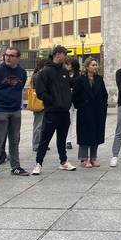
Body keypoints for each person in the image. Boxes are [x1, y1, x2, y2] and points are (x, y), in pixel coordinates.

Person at [0, 46, 30, 180]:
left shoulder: (21, 72)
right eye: (6, 55)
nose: (8, 58)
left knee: (15, 139)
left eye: (11, 55)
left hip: (15, 110)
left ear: (18, 58)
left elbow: (20, 87)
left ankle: (15, 167)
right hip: (0, 110)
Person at [32, 45, 77, 175]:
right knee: (45, 139)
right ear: (57, 54)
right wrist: (53, 101)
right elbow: (41, 92)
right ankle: (38, 163)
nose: (66, 56)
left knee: (62, 138)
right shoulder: (45, 71)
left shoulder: (63, 71)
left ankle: (63, 161)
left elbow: (68, 87)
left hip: (64, 111)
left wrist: (67, 101)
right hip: (51, 111)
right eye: (64, 54)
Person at [72, 56, 108, 167]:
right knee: (84, 134)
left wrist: (103, 106)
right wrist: (81, 106)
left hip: (97, 111)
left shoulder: (99, 79)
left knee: (96, 134)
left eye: (96, 64)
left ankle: (93, 158)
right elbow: (75, 96)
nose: (95, 67)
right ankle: (83, 159)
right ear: (87, 67)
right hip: (85, 111)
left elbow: (104, 94)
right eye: (93, 65)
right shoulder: (79, 79)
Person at [29, 58, 48, 152]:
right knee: (39, 125)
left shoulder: (38, 75)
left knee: (42, 125)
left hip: (43, 103)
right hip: (39, 102)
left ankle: (40, 143)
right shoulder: (38, 76)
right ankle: (36, 144)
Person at [65, 57, 80, 150]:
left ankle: (80, 138)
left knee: (80, 120)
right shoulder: (64, 74)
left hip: (78, 100)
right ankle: (68, 140)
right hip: (68, 100)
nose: (67, 65)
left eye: (68, 64)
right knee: (69, 121)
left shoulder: (79, 74)